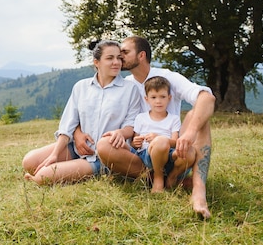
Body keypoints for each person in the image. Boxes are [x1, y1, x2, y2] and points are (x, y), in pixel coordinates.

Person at [75, 36, 214, 219]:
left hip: (174, 150)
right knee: (104, 145)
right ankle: (160, 179)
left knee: (199, 118)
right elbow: (91, 106)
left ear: (141, 55)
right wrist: (77, 132)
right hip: (141, 156)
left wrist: (188, 134)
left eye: (124, 52)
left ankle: (198, 192)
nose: (119, 57)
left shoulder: (168, 77)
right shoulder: (125, 85)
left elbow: (207, 98)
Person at [22, 40, 142, 185]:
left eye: (119, 58)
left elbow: (131, 125)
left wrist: (120, 133)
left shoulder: (130, 89)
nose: (116, 62)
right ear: (96, 62)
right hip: (77, 148)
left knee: (44, 176)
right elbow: (68, 124)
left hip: (101, 156)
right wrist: (55, 154)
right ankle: (70, 164)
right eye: (110, 58)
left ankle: (99, 170)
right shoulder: (81, 87)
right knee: (29, 162)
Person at [128, 76, 195, 193]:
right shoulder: (141, 118)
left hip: (168, 154)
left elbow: (175, 142)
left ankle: (172, 177)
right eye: (153, 97)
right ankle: (158, 178)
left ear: (169, 98)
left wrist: (159, 138)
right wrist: (136, 142)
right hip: (148, 155)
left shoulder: (173, 119)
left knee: (190, 152)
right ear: (146, 99)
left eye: (162, 97)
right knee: (160, 143)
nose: (158, 101)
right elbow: (134, 143)